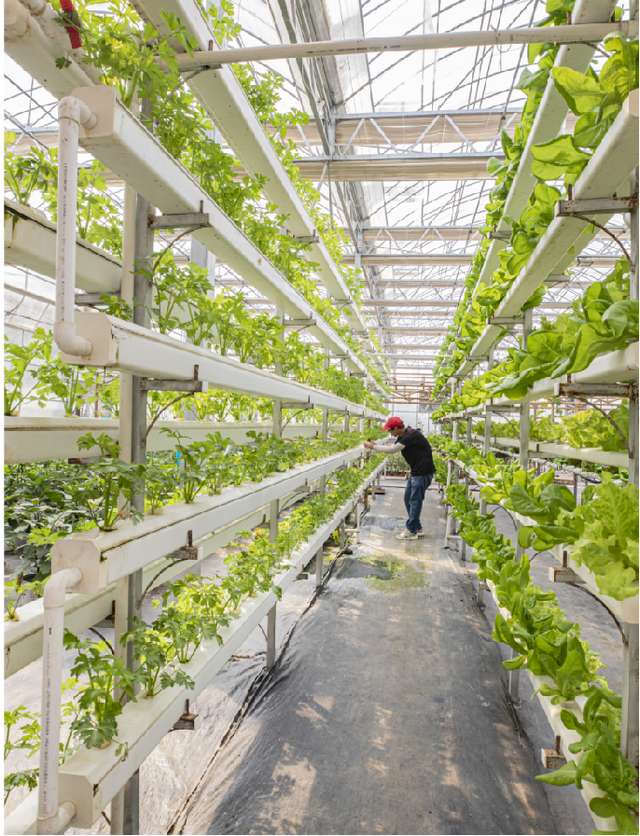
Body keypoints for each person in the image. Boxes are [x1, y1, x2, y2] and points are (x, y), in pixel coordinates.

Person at [363, 417, 436, 541]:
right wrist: (377, 444)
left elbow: (392, 450)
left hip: (422, 472)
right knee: (408, 498)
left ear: (396, 428)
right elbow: (395, 446)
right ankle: (417, 527)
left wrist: (372, 447)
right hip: (416, 472)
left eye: (390, 430)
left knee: (415, 501)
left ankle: (411, 531)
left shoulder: (411, 435)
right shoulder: (404, 436)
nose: (389, 433)